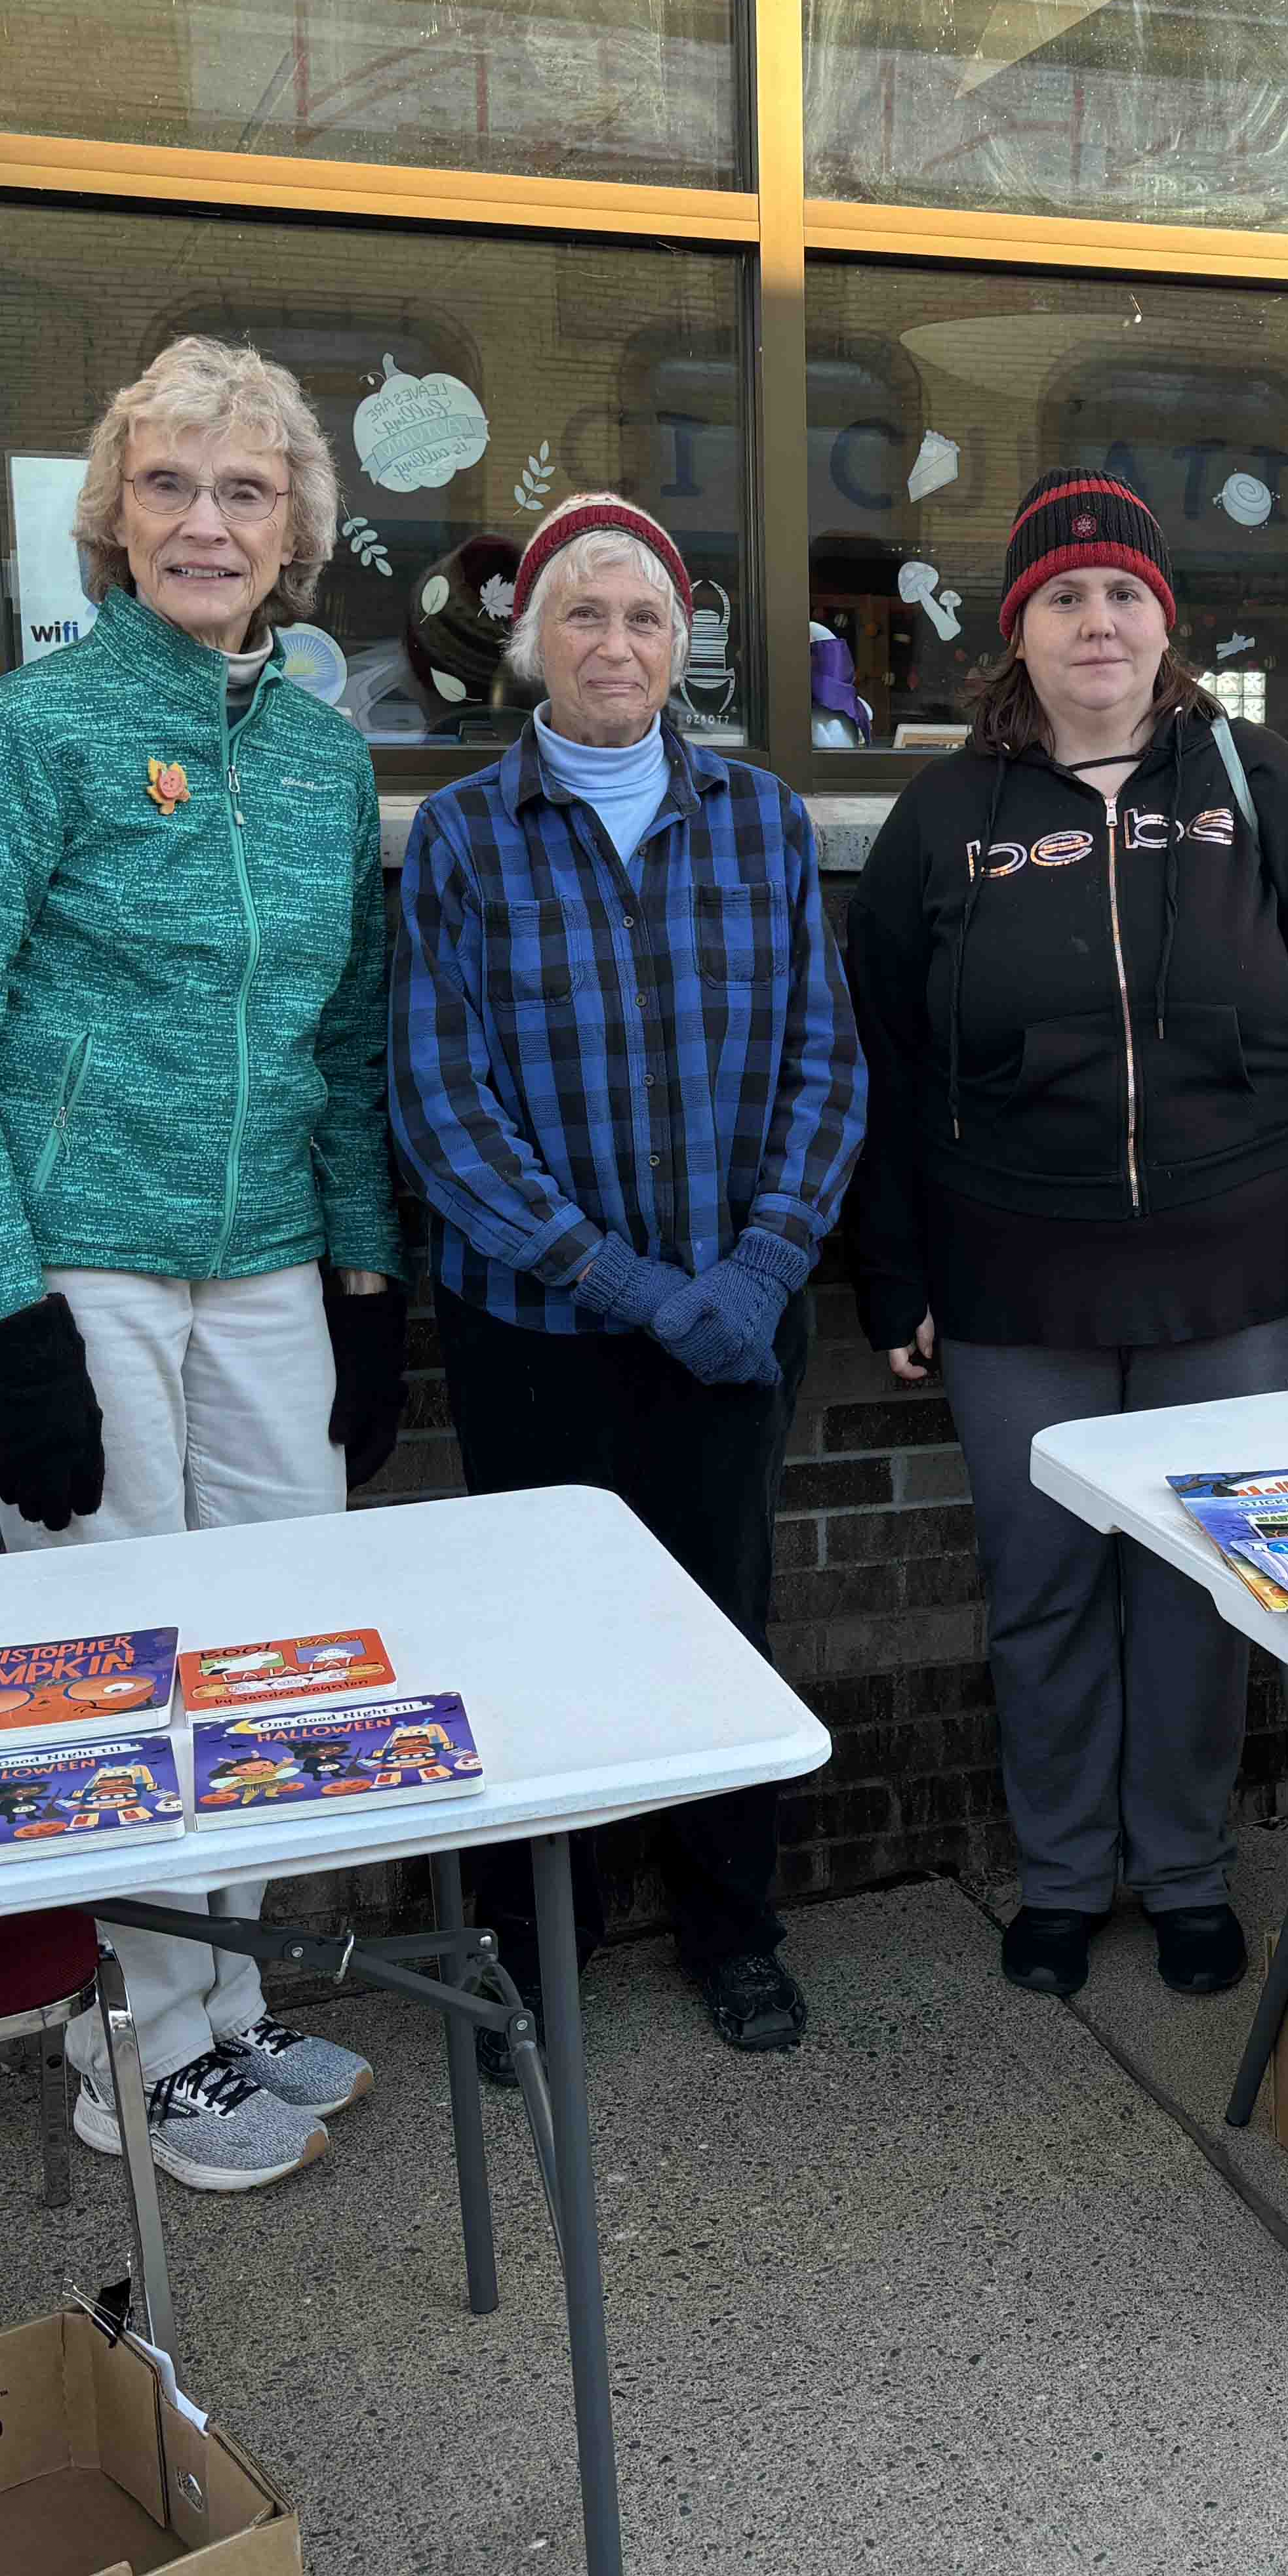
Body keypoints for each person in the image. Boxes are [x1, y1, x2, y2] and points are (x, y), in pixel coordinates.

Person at [0, 336, 409, 2192]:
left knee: (274, 1658)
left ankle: (231, 2007)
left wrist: (369, 1279)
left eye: (244, 491)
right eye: (170, 486)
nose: (205, 521)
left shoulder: (327, 764)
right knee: (123, 1670)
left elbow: (345, 1047)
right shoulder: (31, 739)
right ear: (113, 516)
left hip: (264, 1264)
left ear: (293, 534)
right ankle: (138, 2057)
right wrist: (12, 1332)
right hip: (82, 1270)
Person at [846, 469, 1288, 2002]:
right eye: (1063, 597)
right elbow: (883, 1067)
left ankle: (1181, 1870)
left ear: (1168, 627)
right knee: (1040, 1585)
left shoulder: (1261, 788)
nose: (1097, 621)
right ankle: (1061, 1871)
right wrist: (892, 1274)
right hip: (1012, 1279)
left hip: (1228, 1270)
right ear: (1015, 634)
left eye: (1124, 595)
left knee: (1193, 1585)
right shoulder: (949, 818)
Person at [390, 495, 863, 2060]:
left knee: (725, 1620)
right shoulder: (463, 838)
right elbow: (443, 1109)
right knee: (544, 1638)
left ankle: (736, 1926)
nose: (616, 644)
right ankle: (544, 1948)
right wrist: (624, 1281)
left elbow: (823, 1067)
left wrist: (755, 1271)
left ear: (683, 651)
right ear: (533, 645)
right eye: (584, 616)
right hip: (539, 1329)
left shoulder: (760, 823)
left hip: (736, 1321)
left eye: (646, 618)